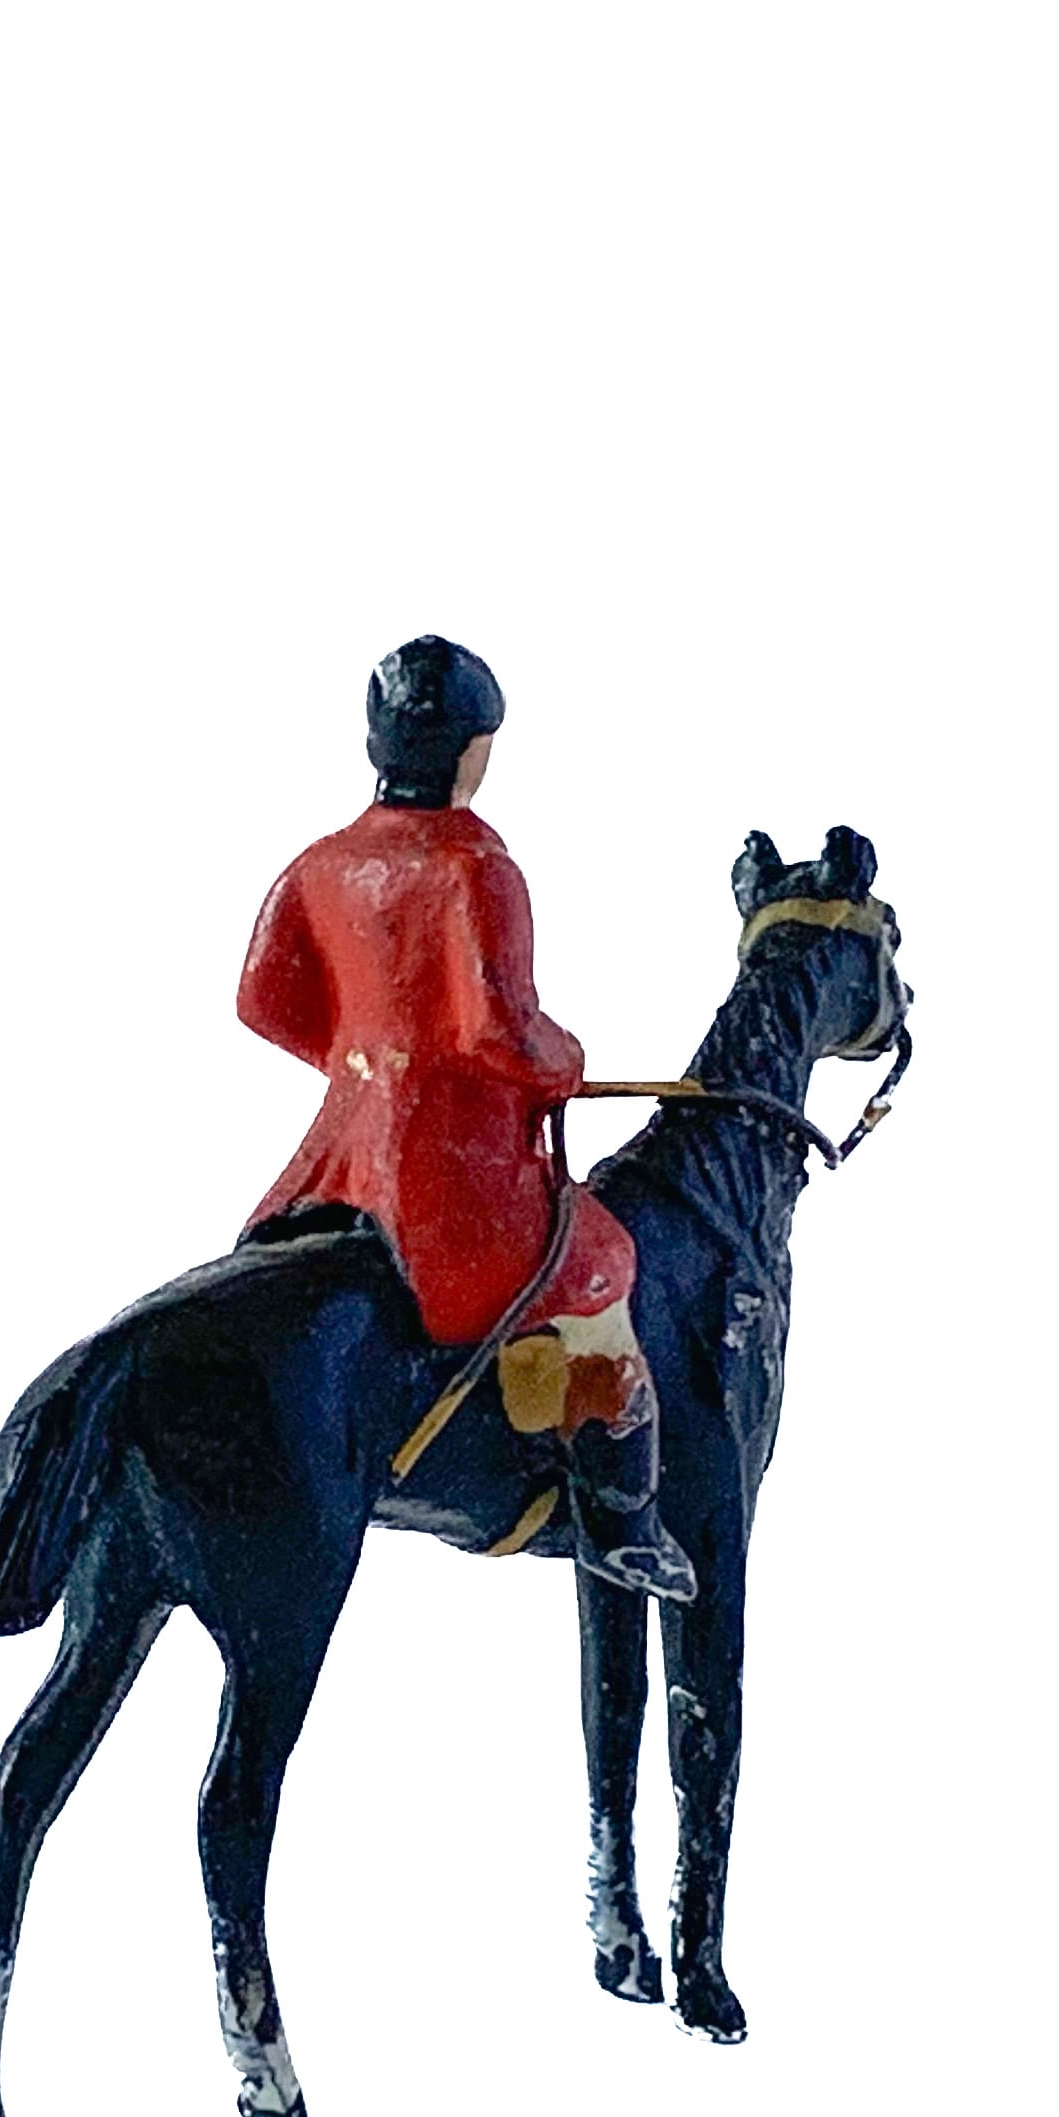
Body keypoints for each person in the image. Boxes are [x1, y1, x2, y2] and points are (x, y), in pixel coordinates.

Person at [237, 638, 699, 1603]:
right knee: (605, 1259)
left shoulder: (324, 862)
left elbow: (262, 1000)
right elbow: (500, 1028)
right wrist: (563, 1061)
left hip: (337, 1159)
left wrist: (362, 1059)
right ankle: (622, 1518)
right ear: (470, 751)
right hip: (444, 1174)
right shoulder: (475, 867)